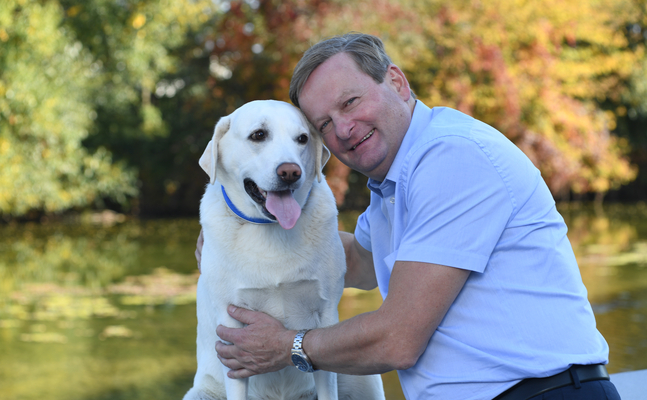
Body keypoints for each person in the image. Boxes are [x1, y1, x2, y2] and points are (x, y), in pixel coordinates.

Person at [197, 33, 621, 399]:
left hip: (546, 395)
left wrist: (289, 345)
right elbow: (358, 264)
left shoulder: (452, 157)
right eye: (325, 123)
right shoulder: (392, 185)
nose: (343, 129)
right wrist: (234, 236)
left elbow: (398, 338)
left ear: (396, 82)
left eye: (350, 101)